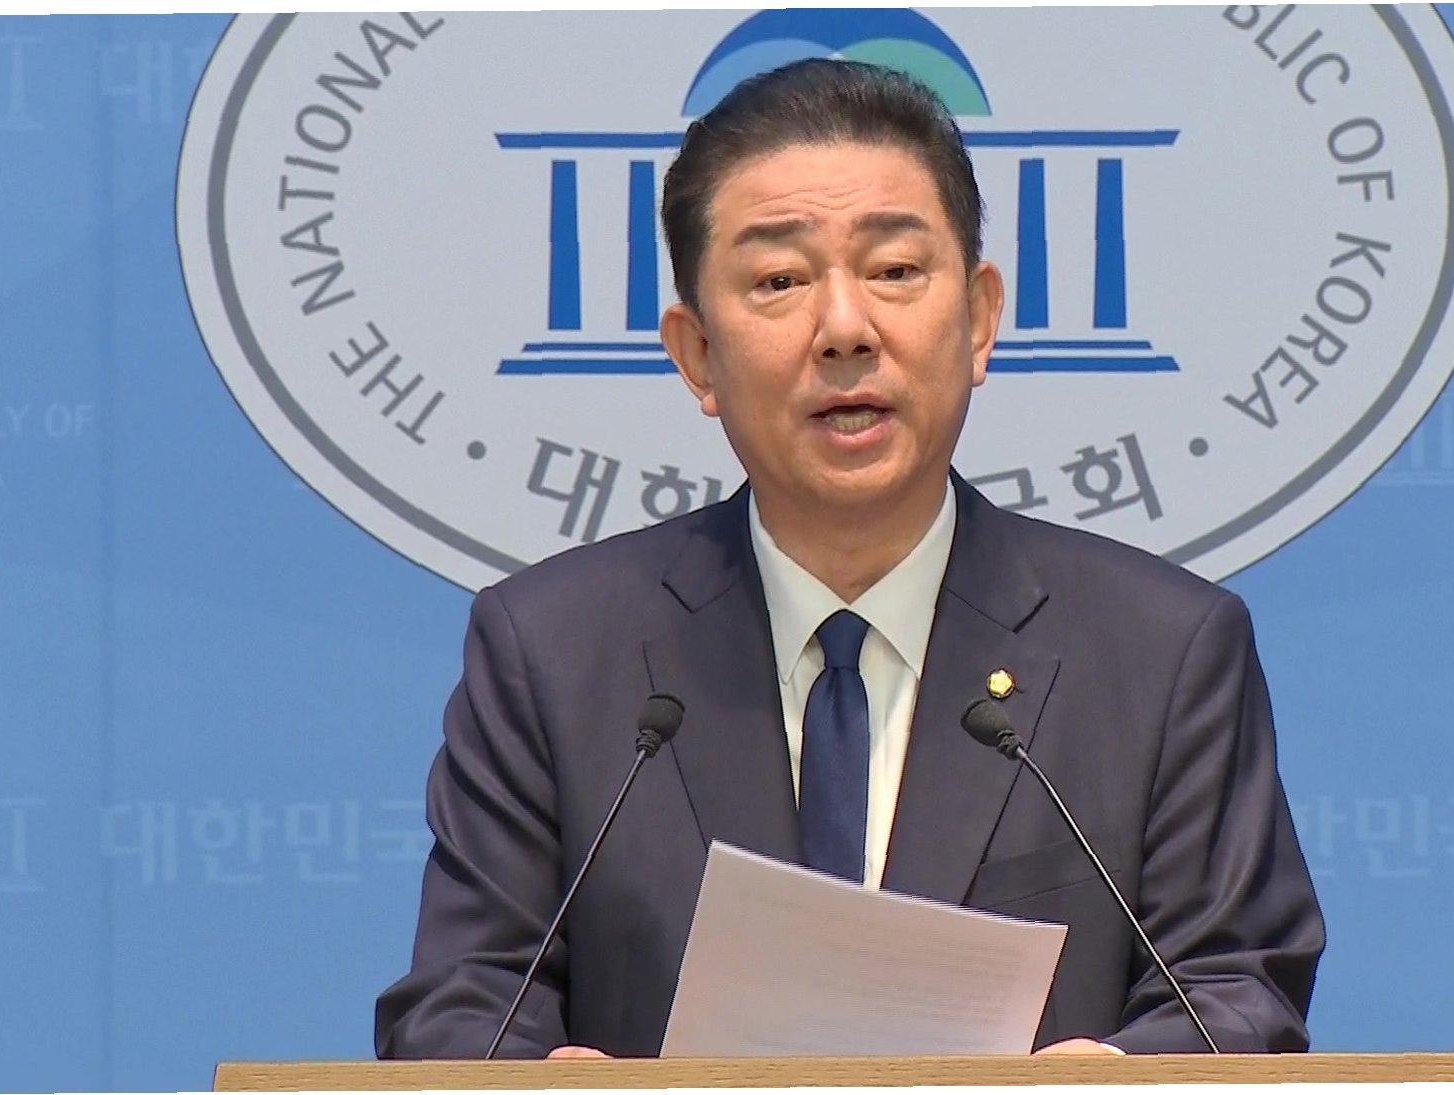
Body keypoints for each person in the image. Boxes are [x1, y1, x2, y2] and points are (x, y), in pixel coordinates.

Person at [373, 57, 1324, 1060]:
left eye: (895, 270)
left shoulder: (1159, 651)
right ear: (697, 355)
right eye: (779, 281)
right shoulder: (555, 653)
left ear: (979, 319)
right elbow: (462, 1006)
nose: (843, 329)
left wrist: (1120, 1078)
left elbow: (1236, 993)